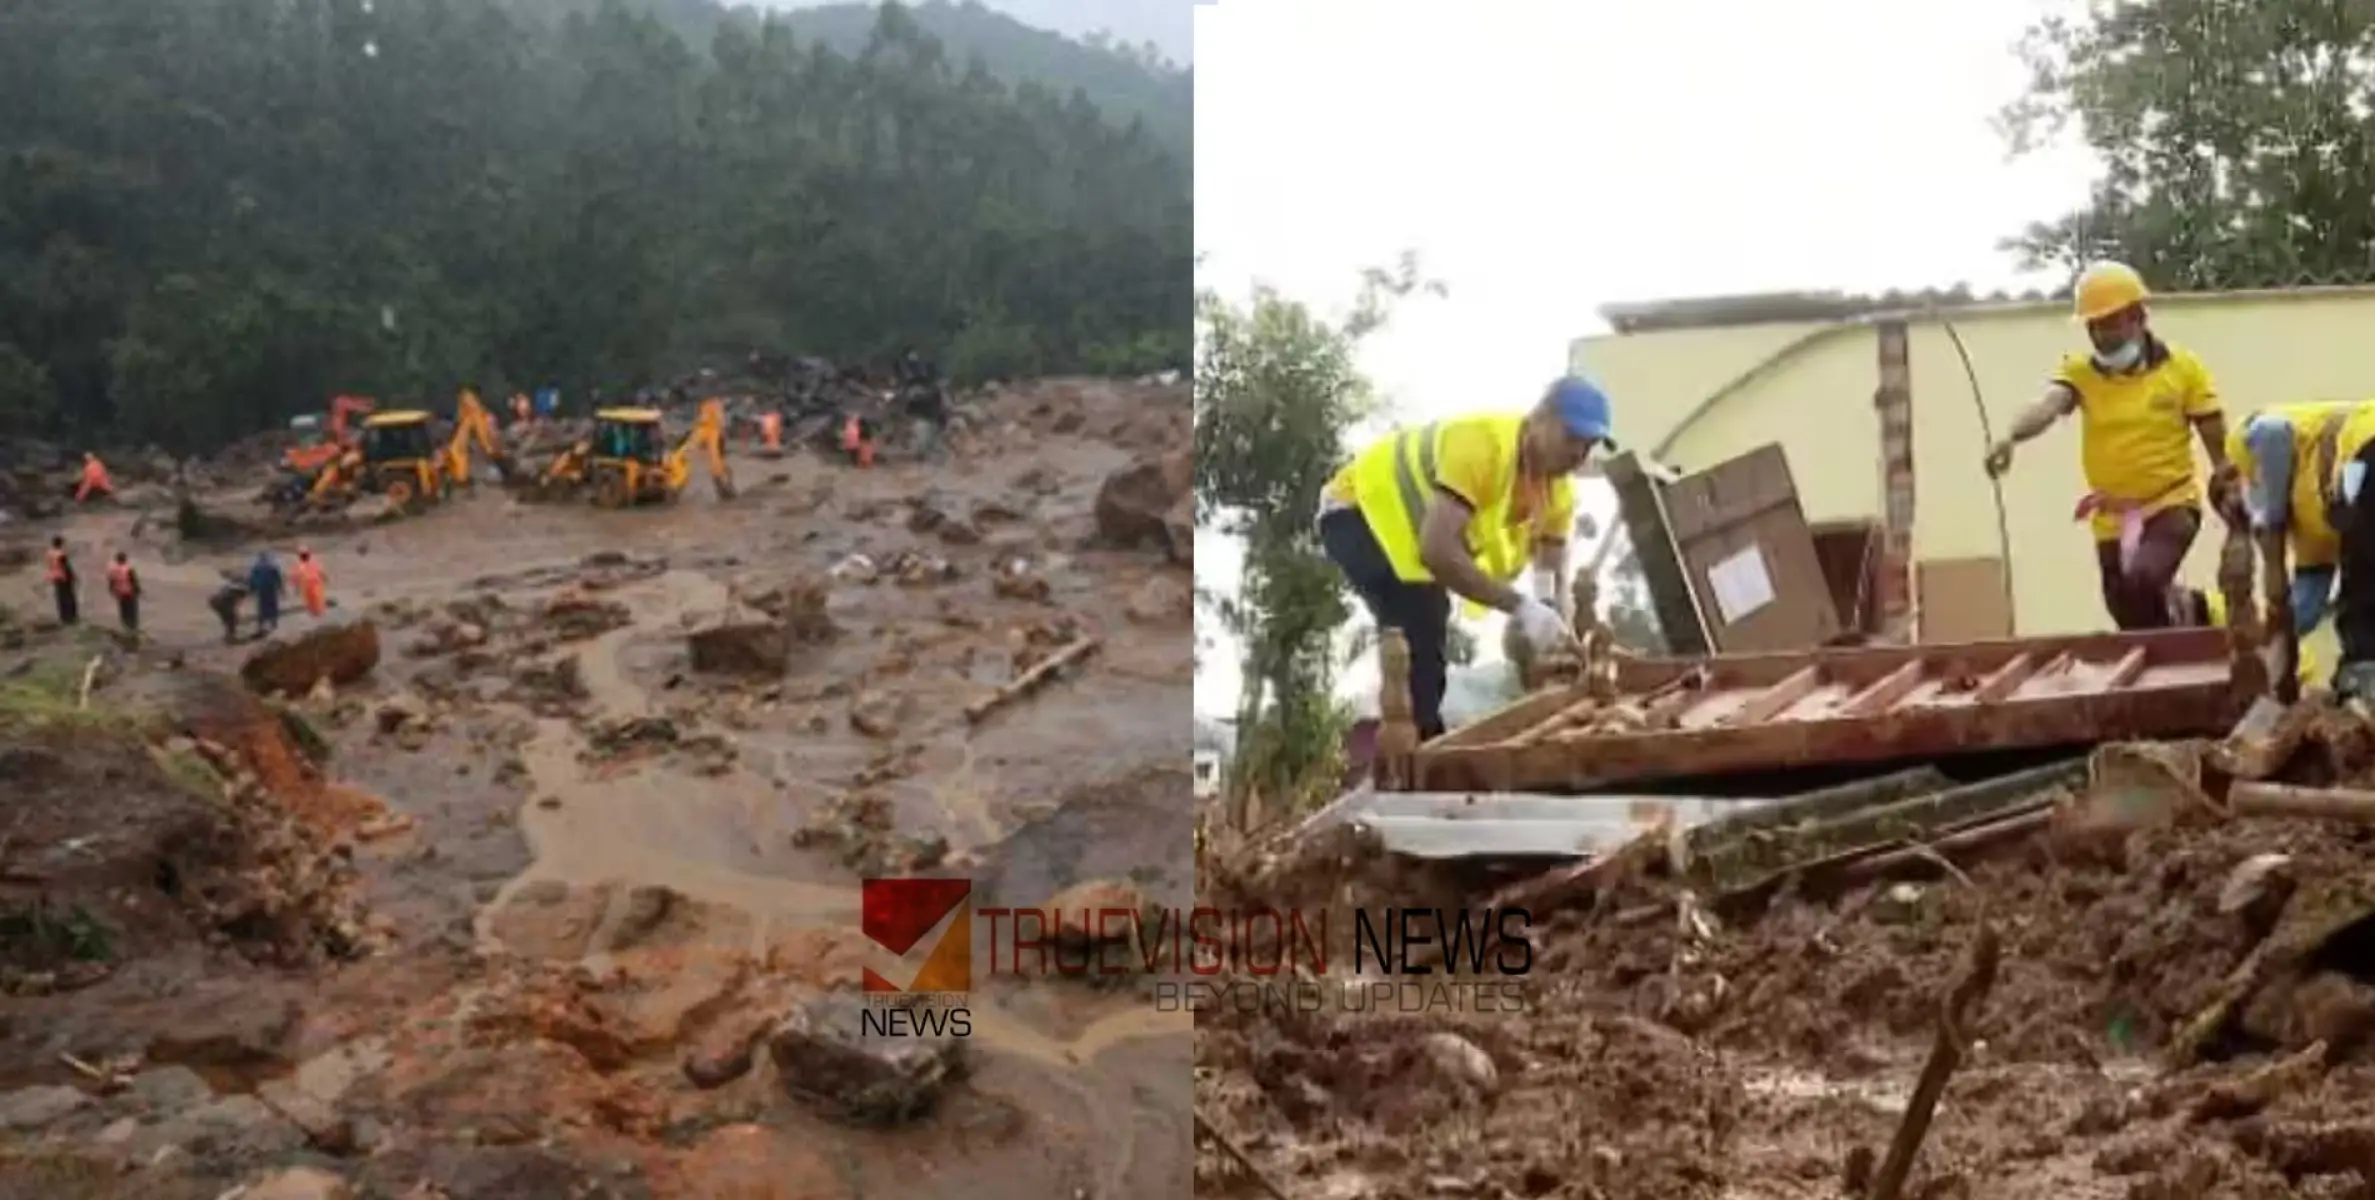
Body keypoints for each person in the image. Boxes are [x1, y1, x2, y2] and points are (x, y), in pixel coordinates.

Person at [1318, 376, 1609, 740]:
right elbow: (1437, 551)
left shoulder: (1558, 493)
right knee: (1419, 617)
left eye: (1590, 445)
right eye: (1572, 439)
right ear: (1540, 418)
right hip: (1355, 511)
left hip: (1408, 540)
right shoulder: (1481, 447)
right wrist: (1522, 608)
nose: (1578, 455)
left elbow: (1549, 577)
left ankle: (1424, 739)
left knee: (1425, 618)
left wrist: (1556, 628)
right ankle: (1417, 752)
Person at [1984, 261, 2232, 630]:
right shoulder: (2080, 373)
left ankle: (2194, 607)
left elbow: (2211, 427)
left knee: (2144, 581)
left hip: (2171, 504)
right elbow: (2048, 405)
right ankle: (2179, 641)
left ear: (2137, 317)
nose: (2101, 335)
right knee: (2126, 612)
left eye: (2110, 322)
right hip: (2112, 517)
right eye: (2093, 326)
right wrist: (2011, 436)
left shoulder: (2182, 369)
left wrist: (2227, 475)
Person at [2217, 402, 2360, 643]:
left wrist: (2271, 521)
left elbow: (2271, 431)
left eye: (2230, 489)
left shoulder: (2246, 452)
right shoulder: (2309, 537)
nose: (2233, 500)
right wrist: (2270, 636)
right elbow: (2307, 602)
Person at [248, 551, 285, 635]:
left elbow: (252, 579)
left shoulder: (256, 567)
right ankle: (273, 623)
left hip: (262, 590)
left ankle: (261, 625)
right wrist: (281, 589)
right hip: (270, 589)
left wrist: (252, 589)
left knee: (262, 607)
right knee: (272, 606)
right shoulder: (272, 567)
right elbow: (278, 579)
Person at [44, 536, 77, 625]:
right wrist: (73, 576)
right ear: (60, 544)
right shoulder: (61, 554)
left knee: (60, 596)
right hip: (64, 577)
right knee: (69, 596)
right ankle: (70, 617)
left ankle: (63, 616)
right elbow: (66, 566)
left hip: (55, 576)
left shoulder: (49, 553)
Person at [106, 551, 141, 634]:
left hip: (120, 594)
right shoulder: (128, 569)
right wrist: (138, 590)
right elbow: (134, 581)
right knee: (132, 612)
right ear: (125, 559)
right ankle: (133, 628)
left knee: (123, 610)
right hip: (129, 593)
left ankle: (125, 627)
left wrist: (111, 590)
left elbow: (111, 582)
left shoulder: (113, 570)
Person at [207, 575, 247, 644]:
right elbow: (237, 603)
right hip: (222, 603)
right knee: (232, 620)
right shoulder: (241, 588)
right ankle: (230, 638)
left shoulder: (228, 586)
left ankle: (228, 637)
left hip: (215, 602)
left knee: (228, 620)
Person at [292, 547, 328, 618]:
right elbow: (296, 577)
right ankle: (314, 612)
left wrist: (324, 577)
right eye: (302, 555)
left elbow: (320, 572)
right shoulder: (299, 565)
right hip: (308, 584)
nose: (304, 556)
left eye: (305, 554)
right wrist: (296, 587)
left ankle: (318, 611)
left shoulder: (312, 563)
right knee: (311, 599)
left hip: (314, 583)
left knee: (317, 598)